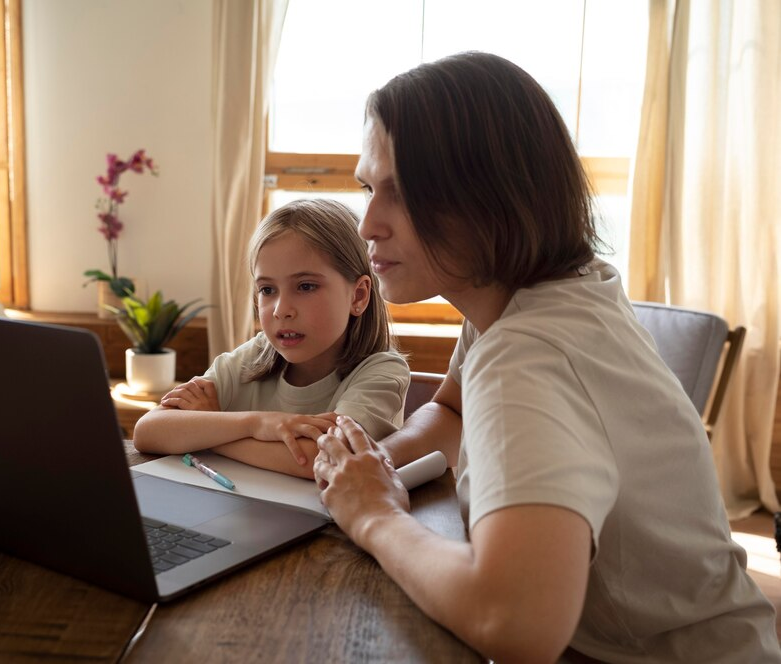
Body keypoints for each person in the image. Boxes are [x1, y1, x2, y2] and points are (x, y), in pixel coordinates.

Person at [312, 52, 781, 663]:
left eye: (402, 192)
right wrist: (371, 463)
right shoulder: (546, 292)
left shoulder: (527, 354)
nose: (367, 224)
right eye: (368, 188)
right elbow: (450, 413)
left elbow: (513, 620)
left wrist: (373, 515)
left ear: (492, 193)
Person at [133, 198, 409, 479]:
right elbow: (148, 430)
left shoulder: (383, 372)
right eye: (267, 290)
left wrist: (215, 431)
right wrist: (259, 423)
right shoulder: (253, 357)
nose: (281, 310)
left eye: (305, 286)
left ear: (358, 295)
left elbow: (323, 459)